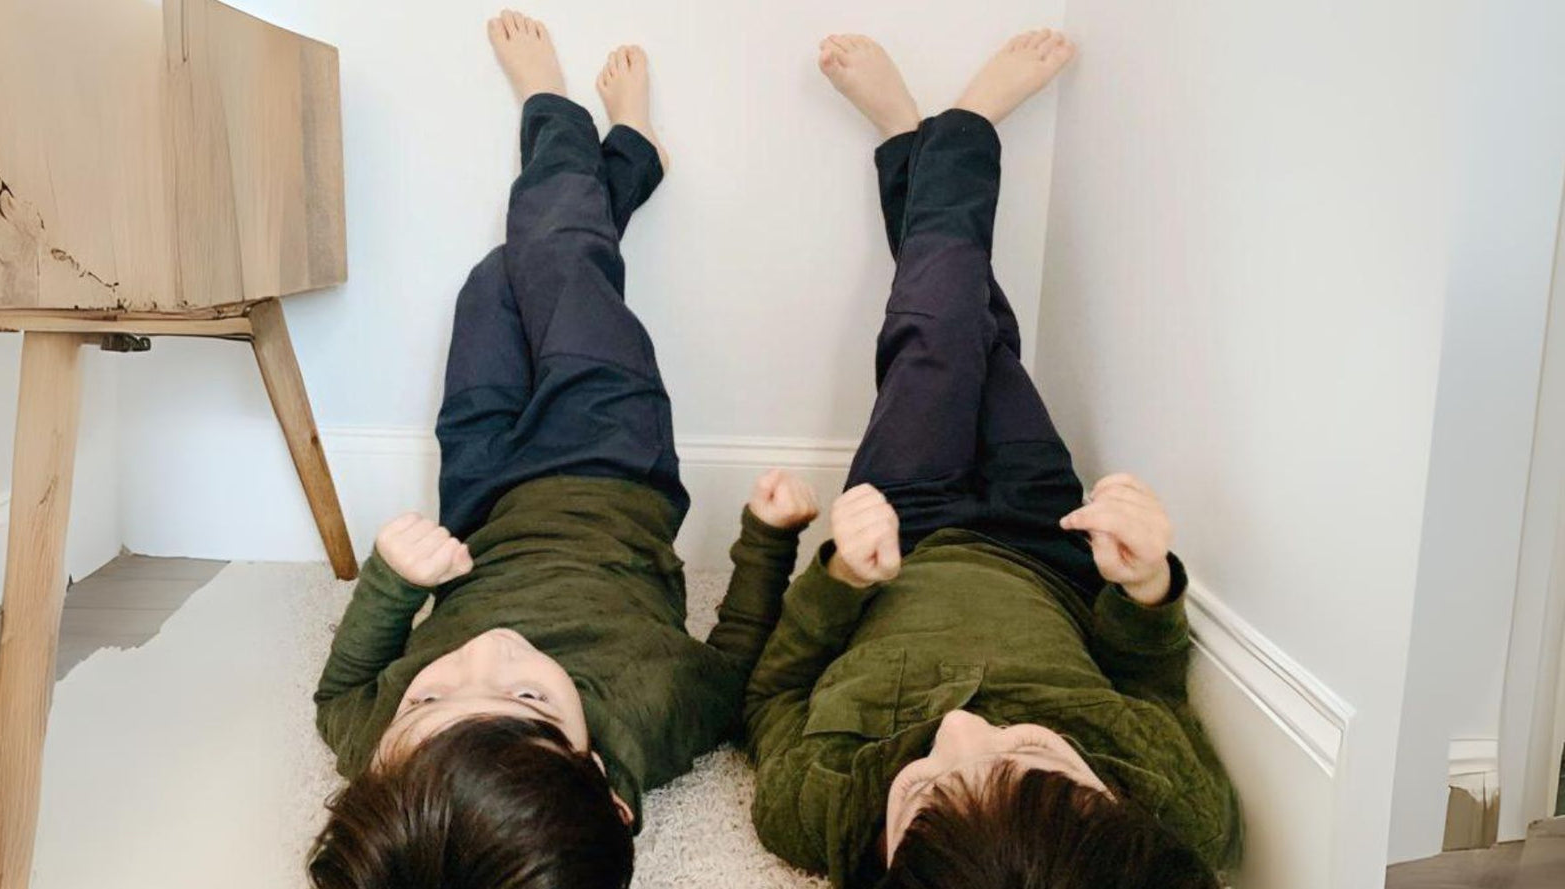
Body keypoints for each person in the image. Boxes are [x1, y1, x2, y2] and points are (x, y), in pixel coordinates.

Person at [305, 12, 820, 888]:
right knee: (560, 257)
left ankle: (629, 166)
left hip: (479, 498)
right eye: (529, 697)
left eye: (428, 697)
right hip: (611, 464)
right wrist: (770, 538)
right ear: (607, 787)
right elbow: (737, 664)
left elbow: (336, 698)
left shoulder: (386, 762)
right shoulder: (655, 713)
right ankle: (554, 106)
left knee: (495, 280)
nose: (484, 653)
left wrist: (393, 582)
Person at [741, 30, 1242, 888]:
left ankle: (954, 128)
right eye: (1031, 752)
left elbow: (769, 696)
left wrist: (840, 579)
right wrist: (1147, 586)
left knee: (937, 337)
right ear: (1114, 803)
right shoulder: (1181, 807)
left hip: (898, 543)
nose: (958, 729)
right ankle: (920, 143)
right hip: (1052, 548)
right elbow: (1150, 686)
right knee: (983, 336)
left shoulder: (812, 807)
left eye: (921, 785)